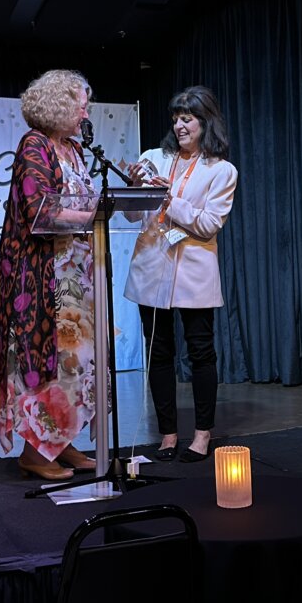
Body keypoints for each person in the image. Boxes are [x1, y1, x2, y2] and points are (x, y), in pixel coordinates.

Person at [123, 86, 238, 462]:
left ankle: (202, 435)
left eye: (186, 118)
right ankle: (168, 434)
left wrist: (169, 198)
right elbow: (131, 216)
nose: (179, 125)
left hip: (193, 273)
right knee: (158, 353)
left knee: (201, 353)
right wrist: (136, 188)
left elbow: (207, 225)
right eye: (175, 118)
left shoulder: (221, 171)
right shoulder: (153, 157)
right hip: (152, 268)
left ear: (206, 122)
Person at [0, 69, 99, 480]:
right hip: (44, 274)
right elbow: (40, 208)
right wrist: (95, 214)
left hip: (78, 273)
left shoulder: (74, 149)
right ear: (57, 104)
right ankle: (35, 451)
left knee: (76, 362)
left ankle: (62, 441)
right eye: (80, 102)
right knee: (46, 360)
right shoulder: (34, 146)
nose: (85, 110)